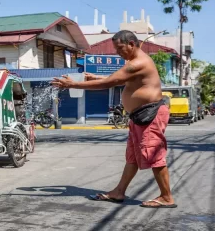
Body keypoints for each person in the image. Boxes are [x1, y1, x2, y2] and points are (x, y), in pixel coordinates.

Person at [51, 30, 177, 208]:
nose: (117, 52)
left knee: (153, 154)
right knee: (132, 157)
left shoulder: (137, 63)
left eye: (119, 48)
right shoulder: (134, 63)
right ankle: (119, 192)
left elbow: (109, 83)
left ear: (131, 44)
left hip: (149, 115)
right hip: (140, 116)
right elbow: (122, 80)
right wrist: (96, 77)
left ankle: (166, 197)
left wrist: (73, 84)